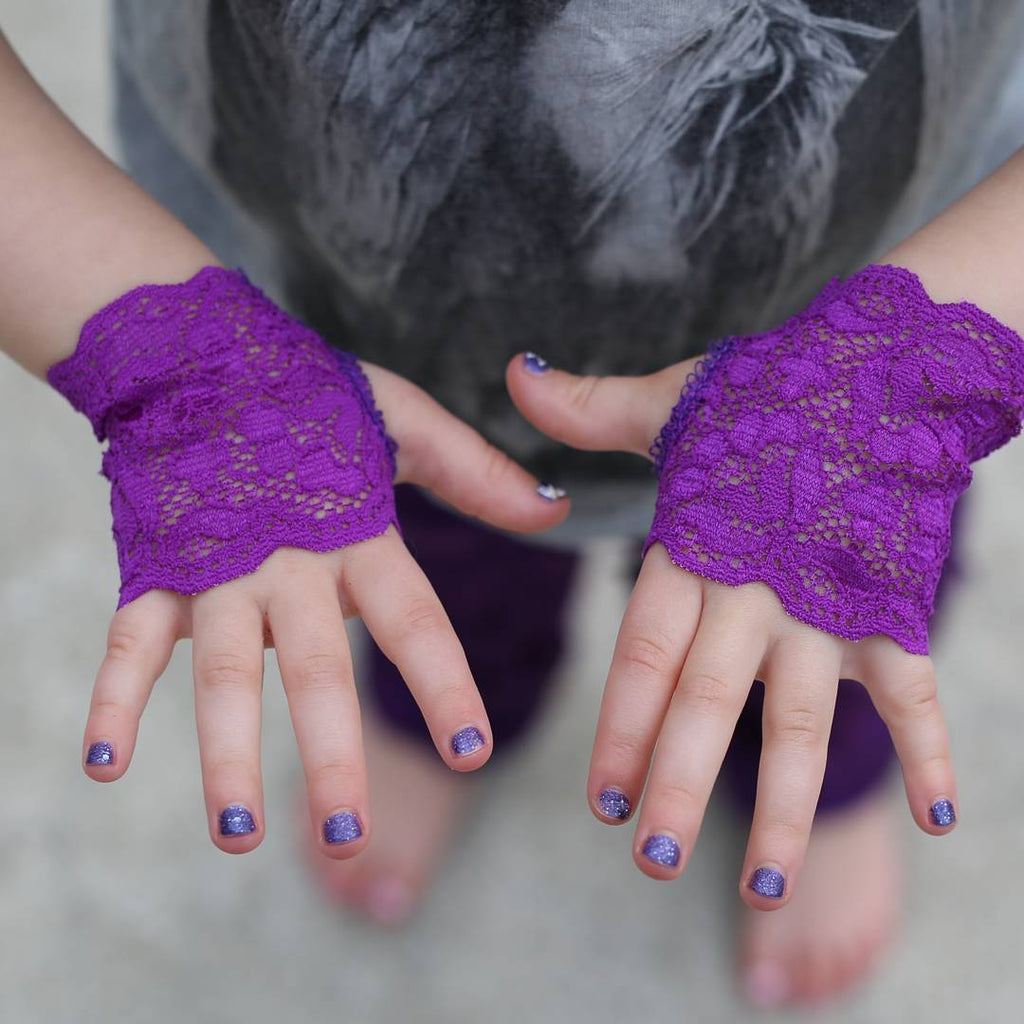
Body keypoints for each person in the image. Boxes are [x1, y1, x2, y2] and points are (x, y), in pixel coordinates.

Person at [3, 1, 1023, 1009]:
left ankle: (820, 777)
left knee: (829, 596)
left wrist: (908, 383)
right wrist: (171, 366)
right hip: (353, 295)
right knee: (438, 545)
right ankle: (462, 695)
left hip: (877, 293)